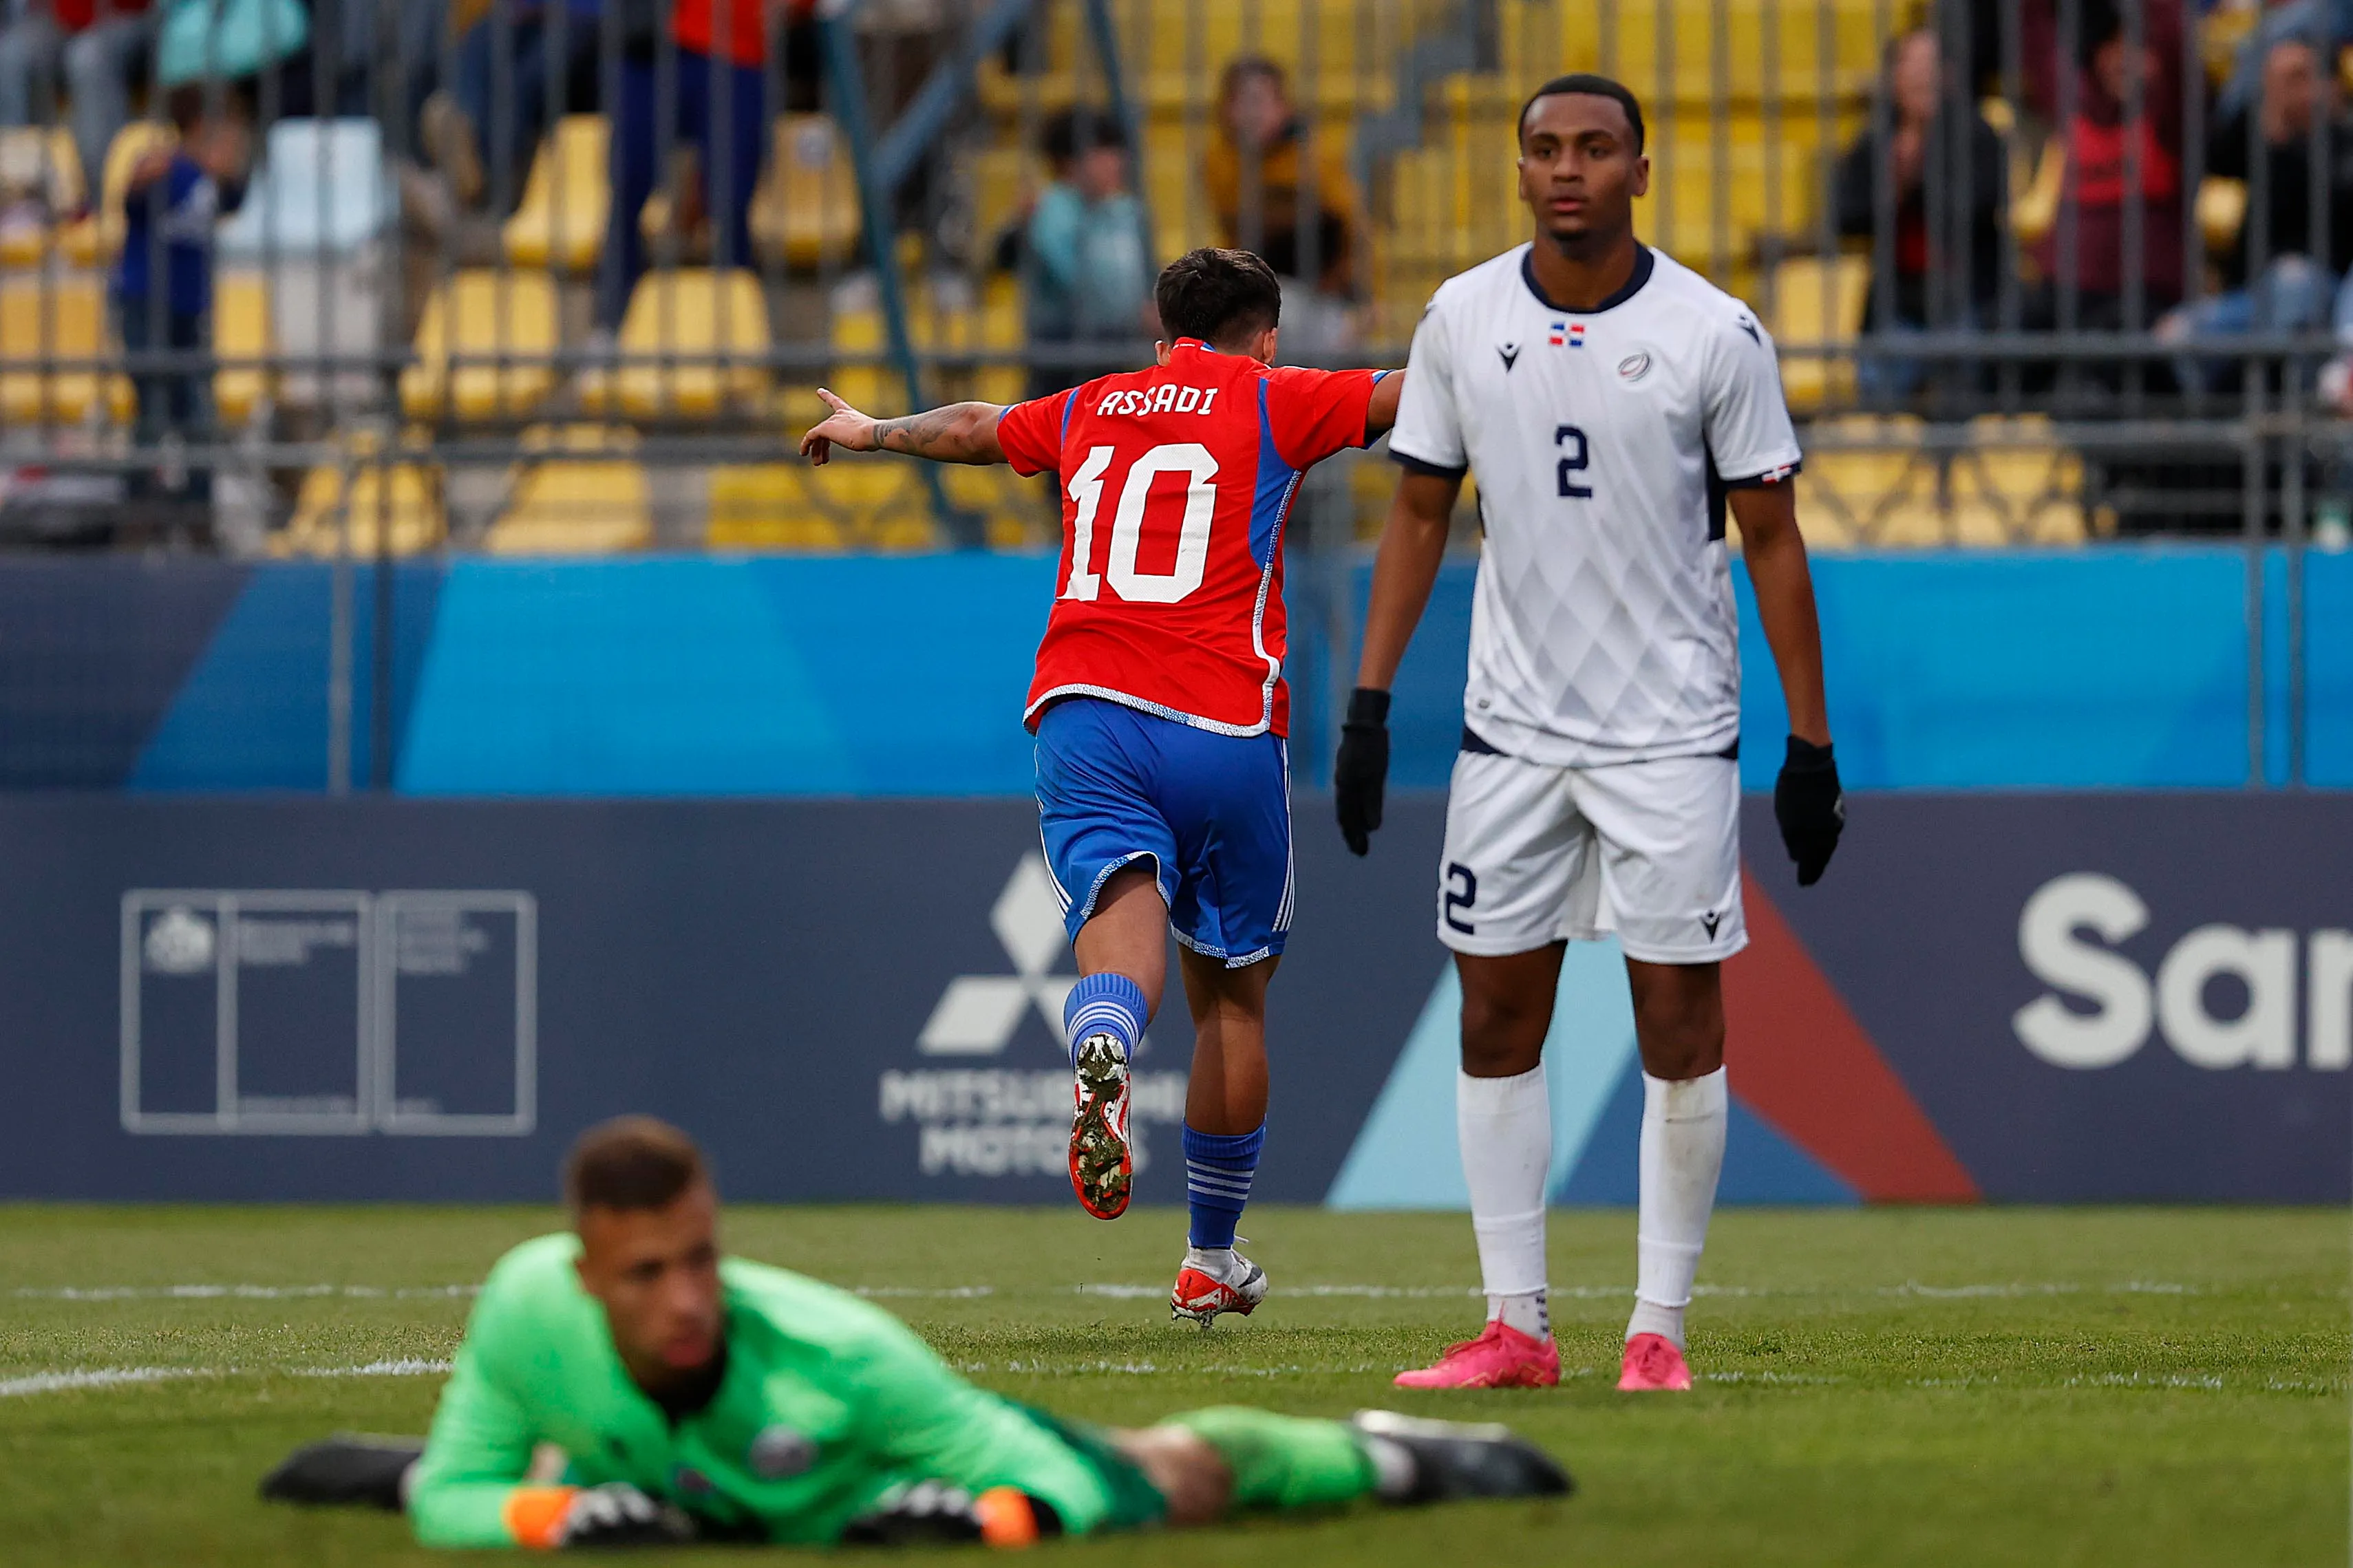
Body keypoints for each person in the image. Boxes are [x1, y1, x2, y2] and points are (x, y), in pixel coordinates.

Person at [1331, 75, 1843, 1393]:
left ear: (1638, 169)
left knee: (1677, 1018)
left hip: (1667, 733)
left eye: (1594, 149)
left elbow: (1772, 542)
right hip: (1508, 733)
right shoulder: (1460, 316)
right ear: (1517, 173)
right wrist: (1369, 706)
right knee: (1494, 1013)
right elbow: (1417, 515)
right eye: (1545, 149)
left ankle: (1655, 1327)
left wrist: (1809, 743)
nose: (1568, 169)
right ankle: (1514, 1326)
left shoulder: (1710, 332)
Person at [800, 248, 1403, 1325]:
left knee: (1121, 914)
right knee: (1231, 994)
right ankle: (1208, 1255)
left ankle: (1106, 1041)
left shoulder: (1089, 404)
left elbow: (979, 429)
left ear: (1154, 324)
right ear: (1263, 336)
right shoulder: (1276, 397)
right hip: (1222, 719)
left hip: (1084, 705)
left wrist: (872, 431)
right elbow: (1413, 396)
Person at [259, 1117, 1570, 1546]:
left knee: (1163, 1472)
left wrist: (982, 1516)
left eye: (702, 1257)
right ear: (588, 1269)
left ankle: (1386, 1451)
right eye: (648, 1271)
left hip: (871, 1488)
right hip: (683, 1483)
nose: (686, 1296)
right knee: (564, 1471)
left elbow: (1045, 1478)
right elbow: (462, 1492)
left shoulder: (839, 1355)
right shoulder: (526, 1306)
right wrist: (547, 1519)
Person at [2158, 34, 2353, 394]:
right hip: (2250, 298)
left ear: (2329, 83)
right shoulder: (2257, 133)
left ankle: (2299, 425)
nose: (2285, 90)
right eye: (2276, 80)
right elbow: (2212, 159)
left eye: (2297, 76)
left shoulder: (2343, 140)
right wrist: (2272, 128)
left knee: (2294, 286)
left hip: (2324, 293)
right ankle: (2215, 434)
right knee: (2177, 334)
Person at [1830, 27, 2005, 404]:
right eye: (1913, 67)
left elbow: (1975, 208)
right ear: (1894, 78)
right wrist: (1893, 187)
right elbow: (1845, 218)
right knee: (1881, 397)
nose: (1923, 77)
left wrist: (1920, 169)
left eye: (1932, 66)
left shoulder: (1979, 137)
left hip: (1968, 307)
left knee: (1963, 400)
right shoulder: (1876, 141)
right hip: (1898, 310)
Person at [599, 0, 780, 332]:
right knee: (626, 184)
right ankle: (611, 325)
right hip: (648, 42)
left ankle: (738, 329)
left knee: (732, 198)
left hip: (737, 46)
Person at [114, 82, 247, 506]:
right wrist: (137, 182)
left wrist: (229, 175)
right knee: (152, 411)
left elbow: (232, 203)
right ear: (202, 127)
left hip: (189, 310)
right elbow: (131, 203)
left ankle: (198, 510)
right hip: (145, 304)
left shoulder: (213, 179)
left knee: (198, 413)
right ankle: (139, 509)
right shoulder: (162, 168)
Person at [2025, 0, 2185, 335]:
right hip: (2066, 290)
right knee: (2007, 329)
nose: (2124, 60)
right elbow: (2034, 35)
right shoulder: (2075, 108)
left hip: (2144, 295)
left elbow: (2175, 43)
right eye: (2113, 48)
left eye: (2138, 49)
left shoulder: (2169, 122)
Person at [1202, 56, 1365, 359]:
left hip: (1322, 301)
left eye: (1261, 101)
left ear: (1284, 106)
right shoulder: (1219, 163)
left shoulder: (1316, 158)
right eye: (1242, 102)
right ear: (1226, 109)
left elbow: (1352, 231)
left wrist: (1362, 304)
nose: (1253, 114)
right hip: (1255, 299)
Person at [1017, 107, 1156, 401]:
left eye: (1117, 152)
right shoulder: (1052, 212)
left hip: (1115, 345)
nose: (1116, 162)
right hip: (1063, 347)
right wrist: (1135, 313)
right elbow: (1074, 277)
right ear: (1069, 162)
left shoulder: (1126, 212)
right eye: (1104, 152)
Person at [0, 0, 154, 200]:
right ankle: (17, 196)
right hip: (61, 21)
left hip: (129, 18)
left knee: (87, 58)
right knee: (10, 57)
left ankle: (105, 198)